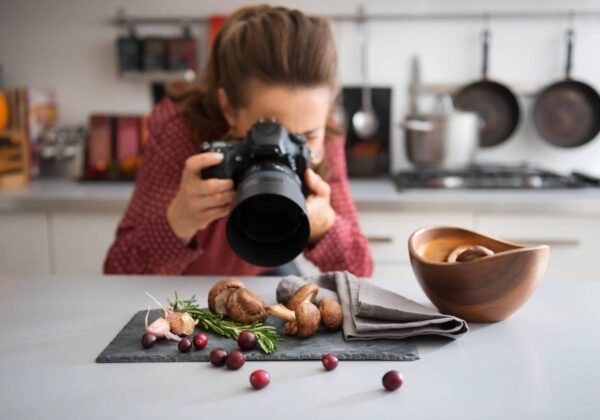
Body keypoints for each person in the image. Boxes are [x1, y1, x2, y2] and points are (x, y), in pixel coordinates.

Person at [104, 5, 373, 277]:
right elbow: (119, 271)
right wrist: (178, 221)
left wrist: (326, 226)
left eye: (306, 137)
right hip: (181, 284)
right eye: (268, 131)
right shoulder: (181, 128)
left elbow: (361, 271)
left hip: (263, 271)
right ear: (228, 108)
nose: (283, 149)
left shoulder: (325, 133)